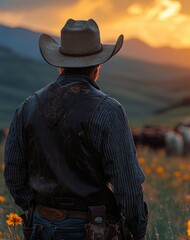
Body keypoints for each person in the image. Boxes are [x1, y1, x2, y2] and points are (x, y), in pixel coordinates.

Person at [4, 19, 148, 240]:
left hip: (41, 227)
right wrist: (137, 232)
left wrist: (35, 210)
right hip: (93, 228)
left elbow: (14, 175)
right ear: (97, 67)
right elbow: (127, 186)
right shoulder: (108, 111)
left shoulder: (26, 107)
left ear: (60, 64)